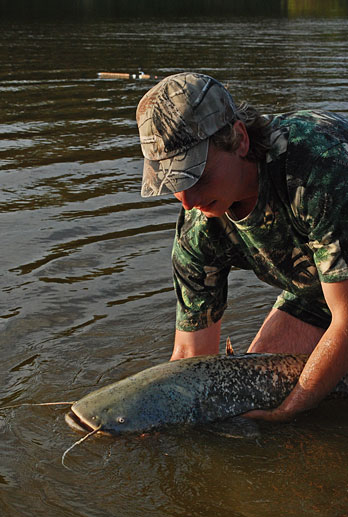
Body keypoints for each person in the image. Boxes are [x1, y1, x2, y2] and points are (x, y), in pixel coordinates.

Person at [136, 71, 348, 422]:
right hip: (318, 284)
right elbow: (192, 358)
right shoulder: (198, 230)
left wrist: (288, 411)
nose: (187, 201)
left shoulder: (318, 173)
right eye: (174, 183)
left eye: (197, 176)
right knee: (250, 394)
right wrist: (157, 418)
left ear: (239, 139)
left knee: (290, 407)